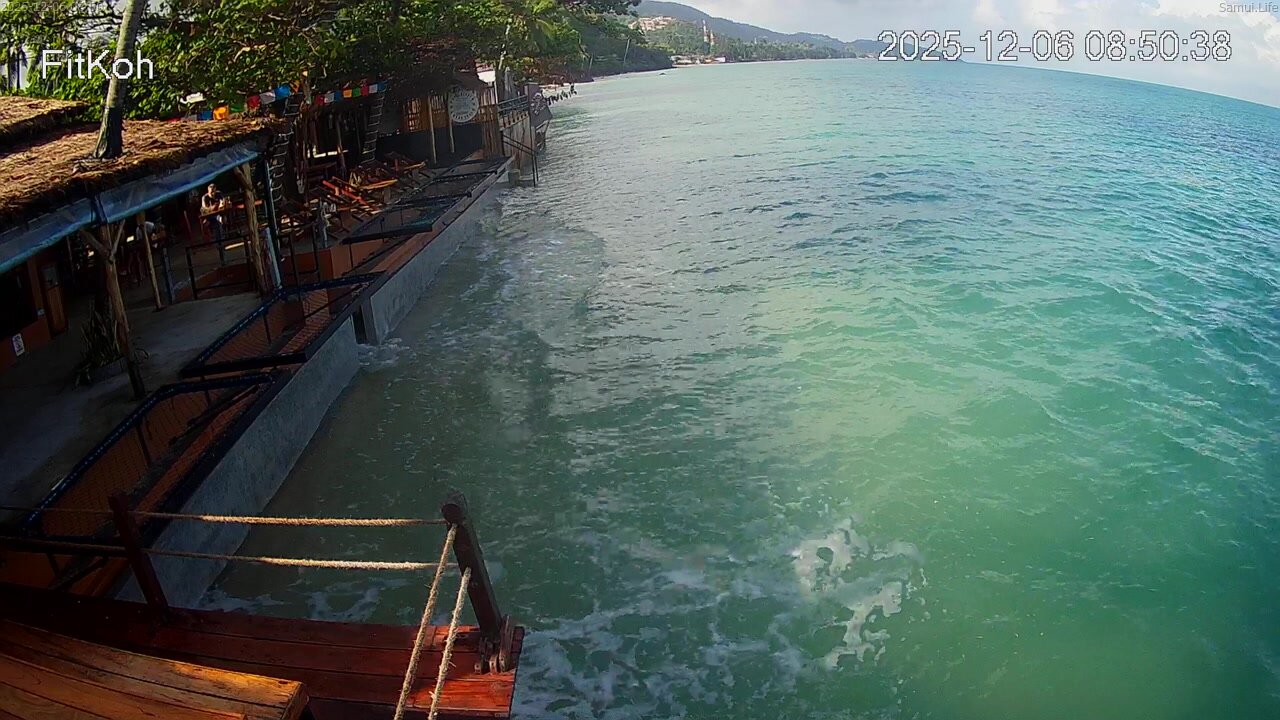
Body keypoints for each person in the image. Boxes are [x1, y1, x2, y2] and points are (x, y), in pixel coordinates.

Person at [201, 183, 228, 263]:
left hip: (219, 215)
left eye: (214, 192)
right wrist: (212, 208)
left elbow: (224, 202)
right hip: (210, 217)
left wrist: (222, 203)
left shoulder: (219, 194)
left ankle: (220, 242)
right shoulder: (205, 197)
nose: (212, 194)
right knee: (217, 224)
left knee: (221, 220)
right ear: (208, 191)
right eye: (211, 192)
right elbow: (205, 210)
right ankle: (220, 244)